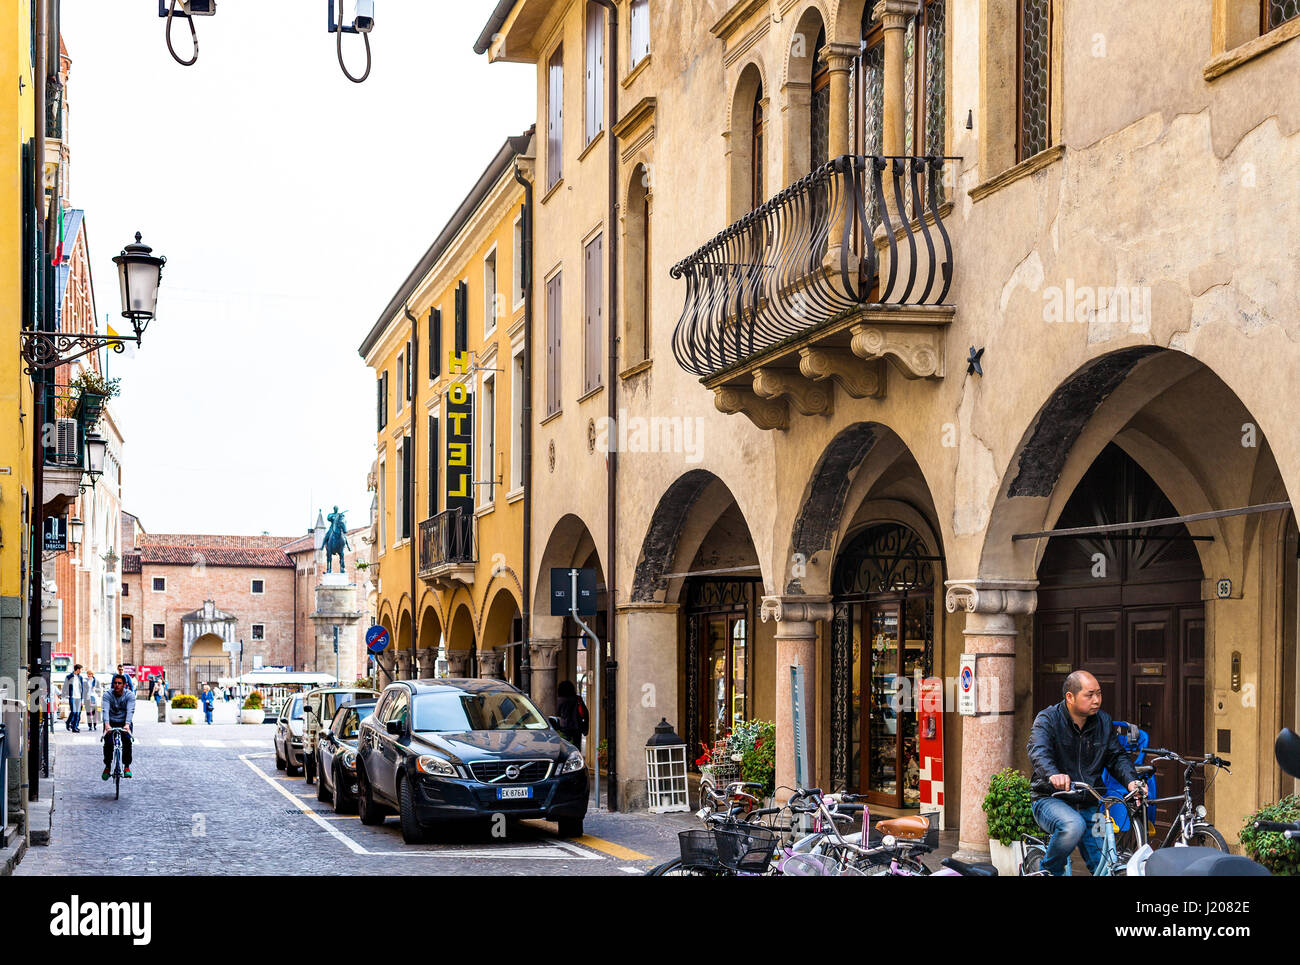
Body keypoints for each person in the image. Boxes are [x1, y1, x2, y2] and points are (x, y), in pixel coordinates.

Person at [1027, 670, 1144, 875]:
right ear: (1070, 697)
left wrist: (1132, 781)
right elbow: (1038, 750)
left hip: (1090, 802)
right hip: (1051, 798)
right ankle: (1046, 870)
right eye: (1089, 695)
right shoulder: (1048, 719)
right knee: (1073, 825)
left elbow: (1116, 756)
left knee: (1106, 863)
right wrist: (1053, 773)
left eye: (1099, 693)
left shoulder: (1103, 722)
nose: (1096, 700)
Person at [102, 673, 136, 780]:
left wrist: (127, 724)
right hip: (110, 722)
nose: (117, 685)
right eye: (115, 683)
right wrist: (107, 725)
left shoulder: (130, 695)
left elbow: (130, 710)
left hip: (124, 722)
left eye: (119, 683)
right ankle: (107, 766)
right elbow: (105, 710)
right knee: (108, 743)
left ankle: (126, 767)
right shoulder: (107, 695)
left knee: (127, 742)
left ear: (124, 685)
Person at [555, 680, 588, 747]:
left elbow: (556, 713)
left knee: (565, 748)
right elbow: (585, 713)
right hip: (577, 728)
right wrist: (585, 728)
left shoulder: (559, 700)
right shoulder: (578, 699)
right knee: (576, 748)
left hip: (564, 728)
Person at [64, 664, 85, 733]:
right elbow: (65, 686)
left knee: (77, 713)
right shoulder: (69, 677)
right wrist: (65, 696)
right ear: (77, 669)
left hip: (79, 697)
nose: (81, 671)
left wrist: (82, 699)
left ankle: (75, 727)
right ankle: (68, 722)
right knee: (73, 712)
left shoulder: (80, 677)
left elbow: (82, 688)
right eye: (80, 669)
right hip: (72, 697)